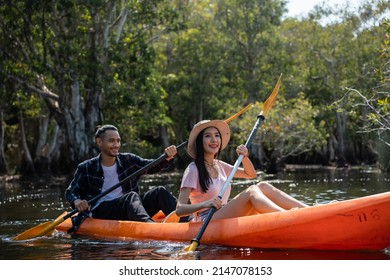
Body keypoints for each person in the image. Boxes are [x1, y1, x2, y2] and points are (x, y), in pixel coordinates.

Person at [176, 120, 308, 222]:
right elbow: (179, 209)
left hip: (222, 212)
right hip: (206, 219)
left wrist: (244, 157)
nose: (214, 140)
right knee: (252, 191)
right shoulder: (193, 169)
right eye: (208, 136)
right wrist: (206, 203)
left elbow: (250, 174)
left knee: (262, 185)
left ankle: (309, 210)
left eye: (217, 135)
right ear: (200, 142)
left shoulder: (220, 165)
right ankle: (287, 216)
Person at [65, 124, 178, 229]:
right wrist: (77, 201)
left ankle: (187, 219)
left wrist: (166, 158)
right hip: (102, 211)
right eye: (111, 141)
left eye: (118, 141)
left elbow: (152, 166)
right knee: (131, 197)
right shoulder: (86, 167)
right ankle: (150, 228)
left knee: (159, 191)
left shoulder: (128, 159)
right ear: (99, 141)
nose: (116, 145)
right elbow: (70, 192)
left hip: (132, 207)